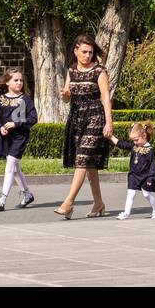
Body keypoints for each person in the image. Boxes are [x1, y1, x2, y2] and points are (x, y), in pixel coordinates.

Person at [54, 34, 113, 218]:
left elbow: (105, 97)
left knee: (82, 158)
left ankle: (68, 202)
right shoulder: (71, 71)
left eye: (90, 52)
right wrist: (64, 93)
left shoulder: (99, 71)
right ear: (76, 51)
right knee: (89, 163)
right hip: (77, 118)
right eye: (84, 52)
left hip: (96, 117)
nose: (87, 55)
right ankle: (98, 203)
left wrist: (109, 122)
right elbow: (66, 97)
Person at [0, 69, 38, 211]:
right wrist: (0, 128)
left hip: (20, 136)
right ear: (7, 82)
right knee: (15, 169)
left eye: (21, 80)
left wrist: (16, 123)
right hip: (6, 138)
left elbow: (33, 118)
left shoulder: (26, 99)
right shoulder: (0, 99)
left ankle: (2, 199)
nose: (19, 83)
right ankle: (28, 194)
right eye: (15, 80)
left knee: (10, 164)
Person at [108, 121, 155, 220]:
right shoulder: (134, 147)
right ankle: (126, 213)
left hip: (145, 177)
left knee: (146, 194)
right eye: (133, 140)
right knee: (130, 194)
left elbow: (152, 166)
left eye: (136, 140)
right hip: (133, 175)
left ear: (144, 135)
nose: (134, 142)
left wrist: (151, 178)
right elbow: (122, 144)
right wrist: (111, 137)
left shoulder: (150, 150)